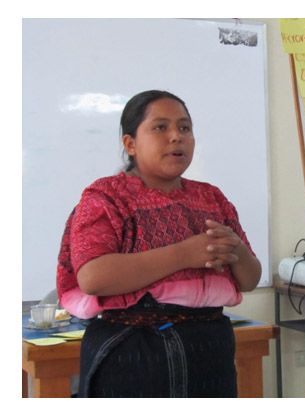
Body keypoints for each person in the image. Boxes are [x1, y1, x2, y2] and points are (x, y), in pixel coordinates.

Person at [56, 90, 262, 398]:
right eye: (160, 127)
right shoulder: (106, 197)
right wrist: (184, 255)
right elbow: (93, 277)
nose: (176, 137)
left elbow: (250, 279)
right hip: (132, 354)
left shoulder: (212, 197)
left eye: (185, 128)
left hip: (209, 353)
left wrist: (236, 250)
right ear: (130, 144)